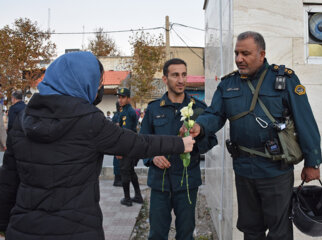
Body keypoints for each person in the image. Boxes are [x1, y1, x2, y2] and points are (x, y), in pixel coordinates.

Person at [0, 51, 195, 240]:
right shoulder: (89, 121)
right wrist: (179, 144)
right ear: (82, 81)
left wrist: (3, 224)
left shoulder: (23, 120)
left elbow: (8, 181)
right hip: (77, 229)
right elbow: (137, 143)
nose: (98, 89)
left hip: (24, 229)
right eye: (98, 82)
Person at [187, 31, 322, 240]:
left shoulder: (284, 79)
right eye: (236, 53)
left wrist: (313, 162)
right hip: (244, 170)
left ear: (261, 54)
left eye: (245, 53)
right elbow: (215, 114)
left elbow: (305, 120)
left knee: (279, 232)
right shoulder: (228, 84)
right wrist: (200, 126)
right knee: (250, 230)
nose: (239, 59)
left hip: (275, 170)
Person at [140, 58, 217, 240]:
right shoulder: (153, 109)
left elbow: (211, 141)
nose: (181, 80)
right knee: (157, 234)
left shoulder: (198, 109)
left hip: (187, 182)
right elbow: (142, 143)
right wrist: (153, 157)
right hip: (160, 182)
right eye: (175, 75)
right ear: (165, 79)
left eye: (184, 74)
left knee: (185, 234)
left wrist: (195, 140)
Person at [114, 87, 143, 206]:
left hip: (127, 148)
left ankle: (127, 198)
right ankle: (138, 196)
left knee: (125, 172)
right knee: (130, 172)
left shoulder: (128, 112)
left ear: (128, 98)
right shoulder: (124, 110)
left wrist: (120, 150)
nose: (120, 100)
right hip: (131, 148)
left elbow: (126, 134)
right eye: (119, 97)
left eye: (123, 97)